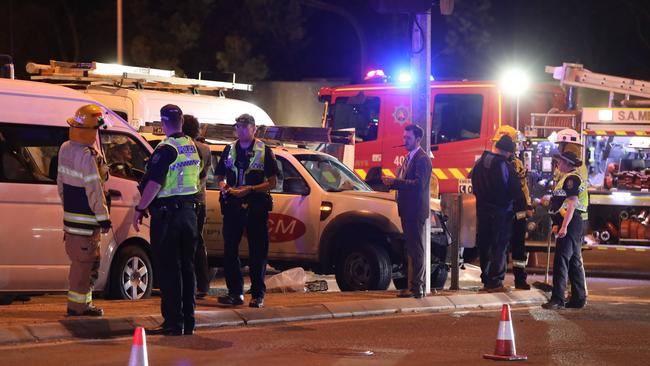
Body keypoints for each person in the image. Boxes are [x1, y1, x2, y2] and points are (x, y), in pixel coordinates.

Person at [133, 104, 201, 336]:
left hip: (169, 216)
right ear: (182, 120)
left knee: (170, 269)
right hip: (190, 214)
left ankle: (173, 321)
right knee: (187, 268)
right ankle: (188, 321)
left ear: (163, 123)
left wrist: (140, 207)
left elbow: (154, 184)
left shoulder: (166, 149)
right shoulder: (191, 146)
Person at [214, 113, 278, 308]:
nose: (240, 130)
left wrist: (250, 189)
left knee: (257, 252)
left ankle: (257, 294)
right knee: (229, 250)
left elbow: (273, 182)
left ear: (254, 129)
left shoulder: (264, 150)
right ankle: (235, 293)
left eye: (244, 126)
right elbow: (220, 175)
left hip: (255, 206)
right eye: (238, 127)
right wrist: (224, 186)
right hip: (233, 205)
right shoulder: (229, 149)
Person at [57, 104, 111, 316]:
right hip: (87, 223)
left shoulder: (65, 148)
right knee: (85, 265)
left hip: (71, 220)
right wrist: (103, 217)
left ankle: (80, 304)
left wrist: (68, 209)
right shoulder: (87, 155)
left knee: (79, 264)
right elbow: (95, 189)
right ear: (91, 130)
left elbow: (61, 185)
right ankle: (78, 307)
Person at [381, 124, 432, 298]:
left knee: (416, 249)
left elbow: (419, 185)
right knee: (411, 248)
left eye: (408, 138)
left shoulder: (422, 159)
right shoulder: (408, 158)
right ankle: (413, 285)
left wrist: (395, 182)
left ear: (418, 139)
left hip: (415, 210)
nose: (404, 140)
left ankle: (417, 287)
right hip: (407, 209)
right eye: (404, 137)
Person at [471, 134, 524, 293]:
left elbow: (473, 183)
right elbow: (515, 190)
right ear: (508, 152)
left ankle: (486, 280)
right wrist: (522, 206)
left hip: (482, 211)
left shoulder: (479, 163)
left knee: (485, 245)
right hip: (501, 212)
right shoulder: (504, 165)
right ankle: (495, 282)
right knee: (499, 247)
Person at [542, 151, 588, 310]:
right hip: (572, 222)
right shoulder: (566, 178)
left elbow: (571, 204)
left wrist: (564, 226)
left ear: (568, 163)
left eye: (560, 161)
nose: (558, 164)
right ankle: (578, 298)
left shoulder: (571, 179)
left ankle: (557, 299)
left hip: (571, 221)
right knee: (574, 261)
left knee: (561, 260)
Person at [492, 126, 532, 290]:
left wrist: (527, 205)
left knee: (516, 247)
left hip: (515, 211)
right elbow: (519, 189)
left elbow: (524, 188)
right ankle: (502, 279)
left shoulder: (516, 164)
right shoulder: (501, 164)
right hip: (509, 210)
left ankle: (518, 279)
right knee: (503, 246)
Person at [182, 114, 212, 298]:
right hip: (200, 201)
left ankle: (192, 285)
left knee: (187, 244)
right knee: (197, 242)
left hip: (188, 201)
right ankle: (202, 284)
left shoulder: (188, 148)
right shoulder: (205, 149)